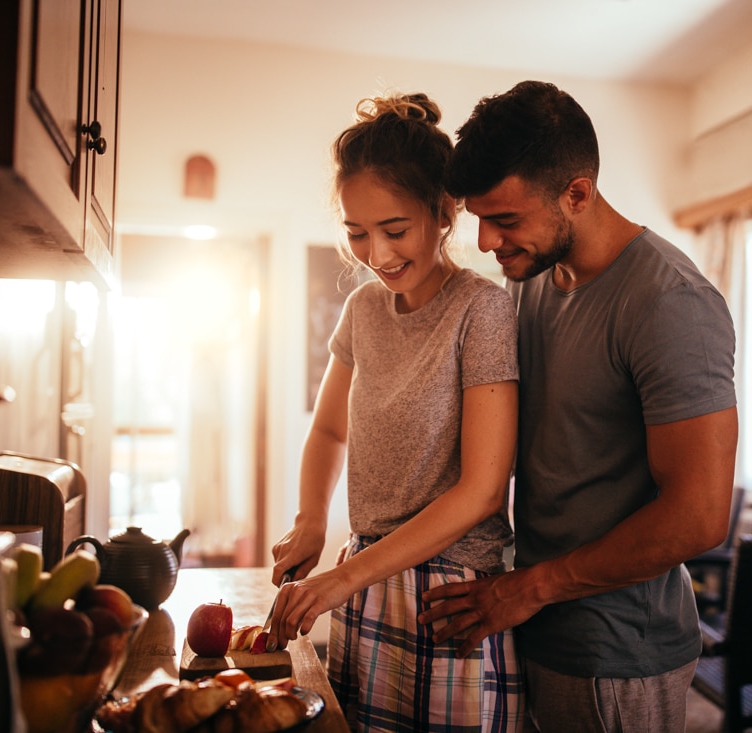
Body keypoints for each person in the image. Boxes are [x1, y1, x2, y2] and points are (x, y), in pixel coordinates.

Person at [419, 80, 739, 732]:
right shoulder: (535, 281)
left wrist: (527, 587)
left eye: (505, 219)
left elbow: (701, 516)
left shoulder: (669, 302)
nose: (485, 242)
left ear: (578, 193)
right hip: (533, 631)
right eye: (479, 217)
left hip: (620, 656)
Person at [268, 93, 524, 732]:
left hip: (448, 596)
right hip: (367, 580)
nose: (377, 254)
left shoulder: (482, 311)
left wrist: (342, 578)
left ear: (444, 213)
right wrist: (309, 522)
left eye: (395, 230)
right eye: (357, 233)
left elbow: (483, 491)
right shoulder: (361, 312)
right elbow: (329, 429)